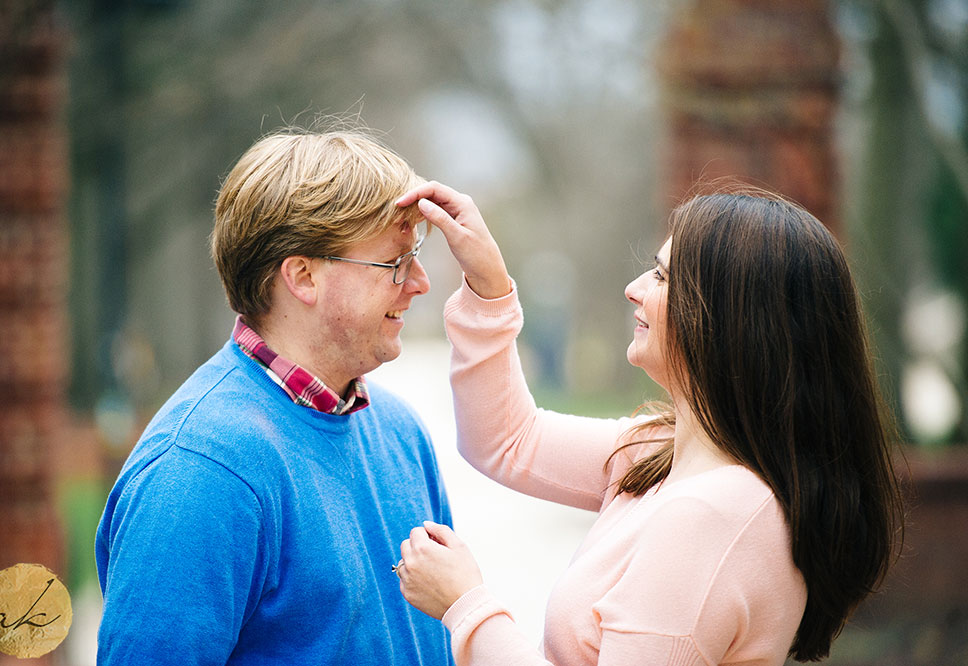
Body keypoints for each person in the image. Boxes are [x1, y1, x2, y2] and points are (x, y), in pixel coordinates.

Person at [392, 182, 903, 665]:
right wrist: (488, 285)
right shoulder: (661, 455)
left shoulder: (711, 515)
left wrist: (467, 606)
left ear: (729, 317)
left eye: (661, 276)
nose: (633, 289)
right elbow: (506, 440)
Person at [95, 129, 455, 665]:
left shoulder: (401, 432)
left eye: (416, 255)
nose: (420, 282)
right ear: (303, 276)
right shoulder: (200, 470)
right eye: (393, 263)